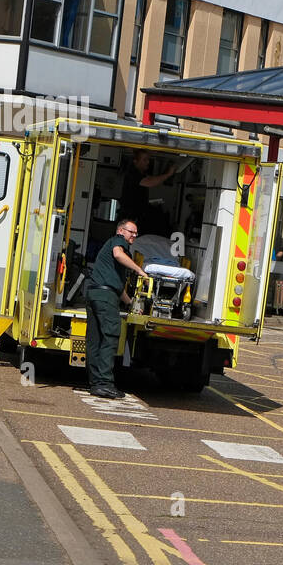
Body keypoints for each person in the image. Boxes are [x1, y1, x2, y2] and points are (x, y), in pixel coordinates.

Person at [86, 219, 150, 398]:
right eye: (132, 232)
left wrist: (130, 303)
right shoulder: (117, 241)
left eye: (136, 233)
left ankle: (96, 383)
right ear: (121, 231)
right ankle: (105, 383)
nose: (134, 236)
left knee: (95, 339)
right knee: (110, 337)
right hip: (105, 298)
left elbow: (117, 286)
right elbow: (118, 254)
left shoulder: (111, 253)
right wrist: (140, 271)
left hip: (95, 294)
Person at [120, 149, 176, 224]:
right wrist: (168, 174)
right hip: (129, 217)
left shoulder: (139, 173)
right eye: (145, 160)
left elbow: (151, 179)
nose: (148, 162)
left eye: (148, 159)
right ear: (135, 161)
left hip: (134, 216)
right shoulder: (132, 173)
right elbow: (150, 182)